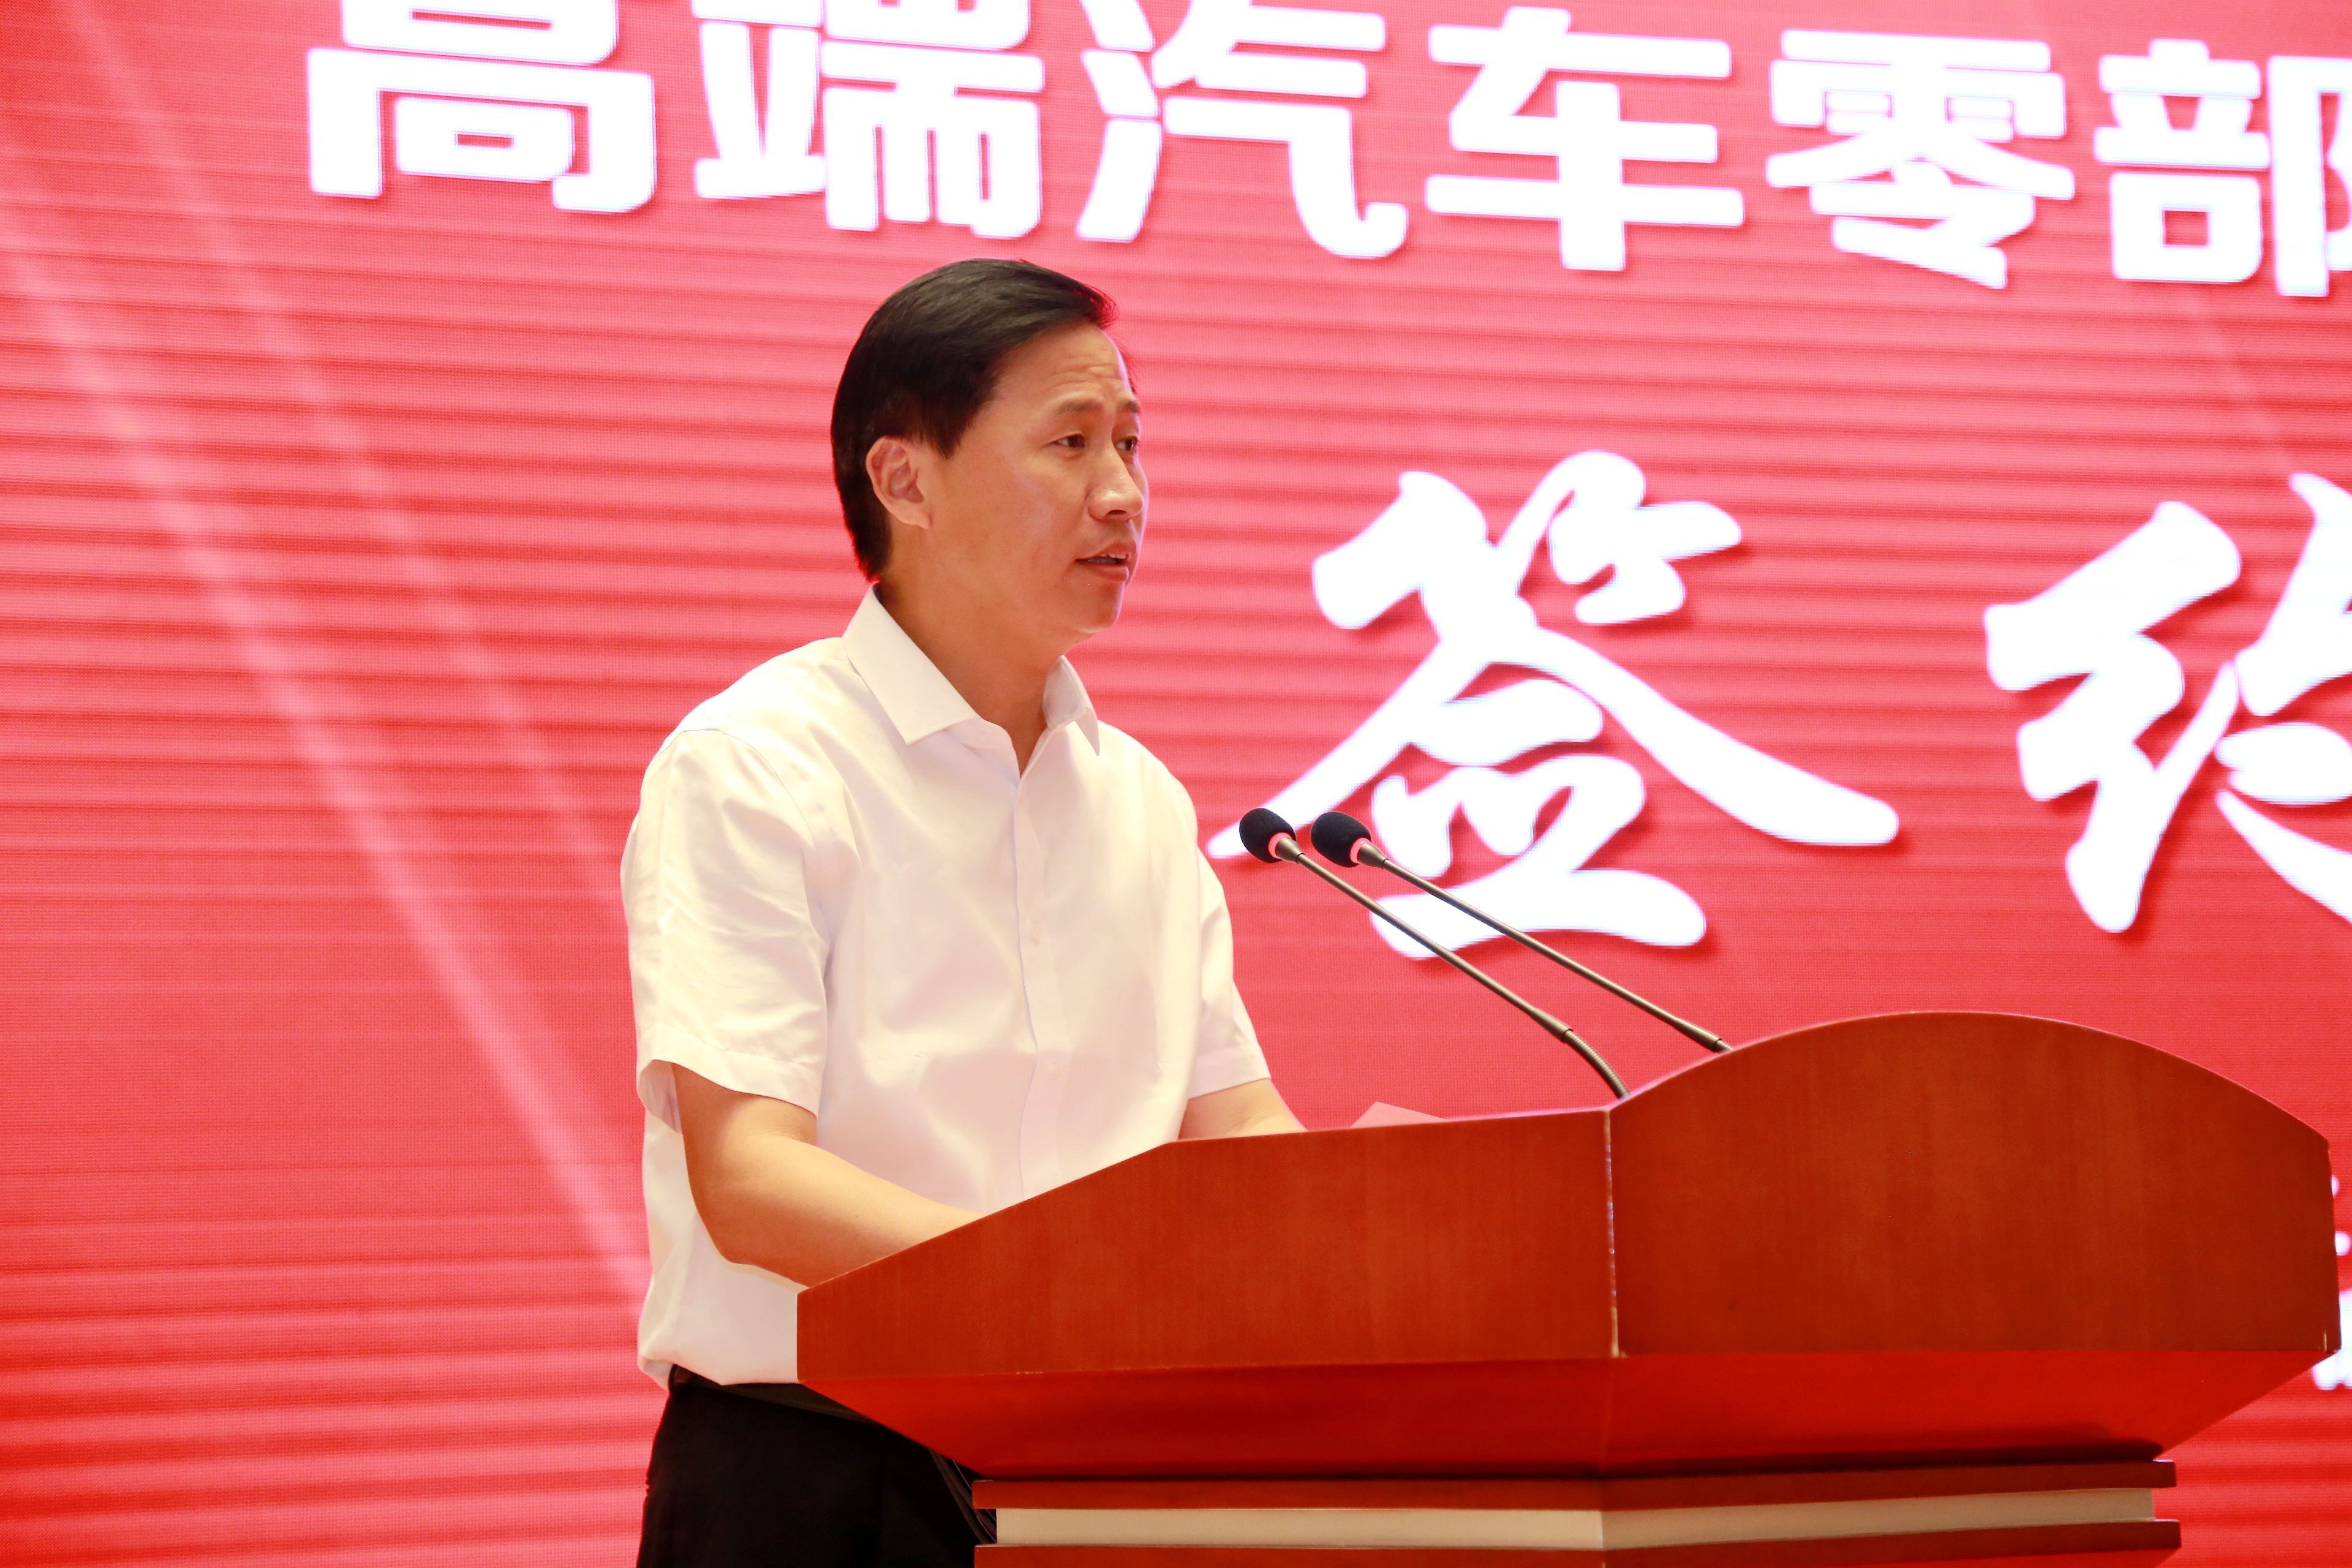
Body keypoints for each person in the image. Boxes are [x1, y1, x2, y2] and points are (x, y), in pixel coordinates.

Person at [622, 258, 1305, 1567]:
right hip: (820, 1485)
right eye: (1069, 443)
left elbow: (1235, 1132)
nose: (1123, 492)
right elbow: (751, 1177)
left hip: (1099, 1480)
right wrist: (1066, 1295)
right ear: (905, 480)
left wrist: (1404, 1240)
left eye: (1130, 443)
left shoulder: (1140, 801)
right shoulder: (757, 763)